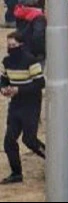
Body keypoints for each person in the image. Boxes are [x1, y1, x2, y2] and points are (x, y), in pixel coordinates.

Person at [1, 30, 44, 185]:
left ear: (21, 45)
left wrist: (19, 89)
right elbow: (3, 79)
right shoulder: (6, 61)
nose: (11, 48)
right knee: (9, 141)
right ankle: (16, 173)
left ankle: (55, 161)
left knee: (29, 139)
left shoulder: (31, 61)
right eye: (9, 45)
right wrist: (4, 89)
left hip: (31, 104)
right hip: (15, 104)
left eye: (14, 45)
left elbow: (40, 83)